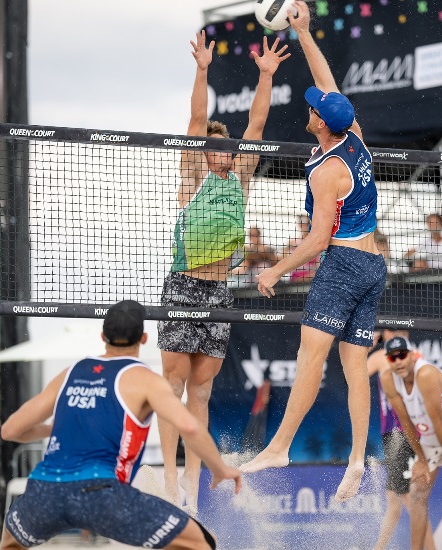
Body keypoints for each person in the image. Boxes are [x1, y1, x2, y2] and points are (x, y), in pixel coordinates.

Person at [240, 0, 386, 503]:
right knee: (354, 369)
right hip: (373, 266)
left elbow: (319, 240)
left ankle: (280, 446)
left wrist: (277, 268)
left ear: (322, 124)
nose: (308, 108)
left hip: (343, 265)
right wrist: (303, 31)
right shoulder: (355, 138)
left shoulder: (327, 172)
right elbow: (327, 83)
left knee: (309, 360)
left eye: (312, 110)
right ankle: (357, 459)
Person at [157, 29, 288, 511]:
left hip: (219, 292)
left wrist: (266, 76)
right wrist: (203, 68)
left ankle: (191, 486)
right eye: (214, 145)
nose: (221, 151)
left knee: (202, 391)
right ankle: (168, 477)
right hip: (184, 285)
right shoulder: (192, 174)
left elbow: (256, 122)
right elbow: (195, 119)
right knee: (172, 387)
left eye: (225, 147)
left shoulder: (241, 178)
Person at [0, 300, 242, 550]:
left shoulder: (71, 372)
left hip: (43, 493)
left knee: (10, 544)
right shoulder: (144, 379)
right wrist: (219, 467)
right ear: (145, 338)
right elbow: (189, 428)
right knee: (202, 543)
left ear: (103, 336)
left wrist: (51, 430)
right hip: (100, 495)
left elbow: (10, 431)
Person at [379, 337, 442, 550]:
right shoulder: (388, 379)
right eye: (392, 357)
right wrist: (422, 460)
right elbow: (406, 422)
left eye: (402, 355)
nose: (398, 361)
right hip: (431, 432)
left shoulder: (424, 374)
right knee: (417, 490)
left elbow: (439, 421)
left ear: (412, 355)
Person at [366, 331, 435, 550]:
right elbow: (355, 375)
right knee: (394, 500)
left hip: (403, 435)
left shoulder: (411, 358)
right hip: (395, 435)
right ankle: (379, 547)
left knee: (411, 501)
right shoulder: (383, 357)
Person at [284, 213, 320, 283]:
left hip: (310, 279)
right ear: (299, 225)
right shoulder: (293, 243)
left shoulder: (317, 243)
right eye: (303, 223)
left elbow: (318, 265)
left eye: (307, 223)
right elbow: (283, 260)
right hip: (295, 280)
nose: (305, 226)